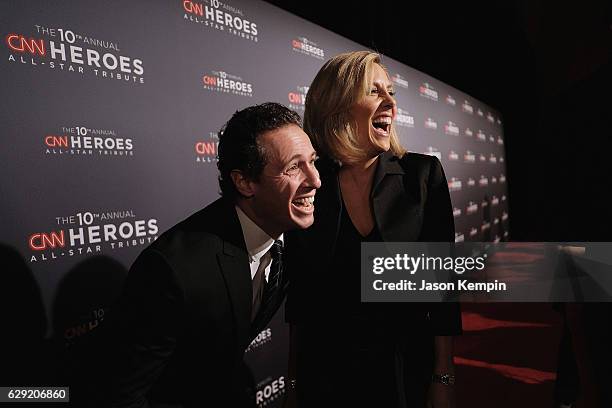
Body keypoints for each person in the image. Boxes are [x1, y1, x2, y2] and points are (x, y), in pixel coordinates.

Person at [108, 102, 321, 408]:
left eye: (313, 162)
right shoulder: (173, 270)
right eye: (293, 167)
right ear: (245, 182)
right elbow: (121, 394)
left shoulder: (295, 232)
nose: (315, 180)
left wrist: (294, 388)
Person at [284, 51, 462, 407]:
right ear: (337, 106)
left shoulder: (423, 176)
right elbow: (302, 300)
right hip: (327, 378)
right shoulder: (309, 183)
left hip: (404, 373)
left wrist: (442, 375)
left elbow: (441, 290)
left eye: (391, 92)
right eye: (374, 91)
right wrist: (293, 384)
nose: (390, 103)